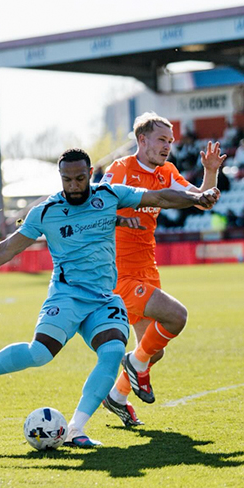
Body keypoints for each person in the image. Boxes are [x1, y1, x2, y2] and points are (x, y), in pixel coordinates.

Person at [0, 148, 219, 446]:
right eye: (67, 179)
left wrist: (196, 197)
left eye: (80, 178)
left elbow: (159, 197)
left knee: (112, 353)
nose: (74, 185)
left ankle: (75, 429)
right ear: (60, 177)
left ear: (90, 174)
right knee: (40, 354)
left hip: (104, 299)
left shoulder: (110, 195)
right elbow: (7, 248)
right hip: (67, 296)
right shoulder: (45, 212)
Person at [99, 113, 225, 425]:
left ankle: (117, 396)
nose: (168, 146)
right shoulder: (121, 168)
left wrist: (210, 173)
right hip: (119, 272)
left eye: (170, 141)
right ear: (142, 140)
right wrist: (120, 219)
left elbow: (199, 199)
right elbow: (97, 208)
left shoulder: (166, 172)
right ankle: (131, 366)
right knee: (176, 316)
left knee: (153, 352)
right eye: (161, 140)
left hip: (147, 268)